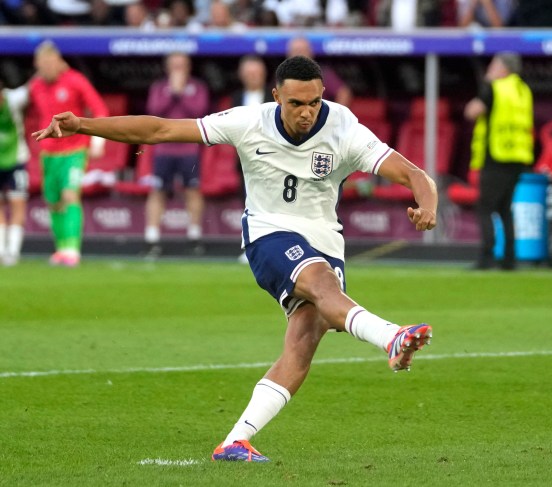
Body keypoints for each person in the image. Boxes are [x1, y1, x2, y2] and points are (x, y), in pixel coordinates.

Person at [34, 56, 437, 462]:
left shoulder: (343, 127)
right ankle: (391, 336)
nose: (306, 112)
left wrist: (428, 205)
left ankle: (234, 441)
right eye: (296, 103)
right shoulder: (249, 121)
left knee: (302, 344)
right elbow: (159, 129)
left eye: (314, 102)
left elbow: (413, 173)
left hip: (325, 239)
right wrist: (82, 124)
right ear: (276, 95)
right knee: (321, 285)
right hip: (268, 232)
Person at [28, 40, 108, 267]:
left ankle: (73, 250)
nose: (44, 69)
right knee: (52, 201)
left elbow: (99, 108)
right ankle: (61, 248)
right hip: (48, 154)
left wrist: (98, 140)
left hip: (74, 150)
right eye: (40, 65)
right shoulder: (35, 86)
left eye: (48, 63)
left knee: (70, 196)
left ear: (58, 61)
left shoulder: (75, 81)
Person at [464, 53, 534, 271]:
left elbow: (471, 112)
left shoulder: (495, 88)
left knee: (485, 208)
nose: (490, 70)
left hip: (496, 156)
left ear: (503, 69)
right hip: (518, 158)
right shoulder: (523, 90)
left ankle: (486, 257)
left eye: (493, 66)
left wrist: (486, 82)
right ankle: (509, 259)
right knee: (505, 209)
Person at [143, 52, 210, 257]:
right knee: (158, 191)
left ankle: (194, 236)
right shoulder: (159, 87)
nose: (178, 70)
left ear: (189, 67)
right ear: (168, 68)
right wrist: (173, 92)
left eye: (182, 66)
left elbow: (200, 110)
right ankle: (152, 238)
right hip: (164, 149)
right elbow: (154, 111)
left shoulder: (198, 87)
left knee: (192, 190)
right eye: (174, 66)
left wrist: (180, 93)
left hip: (189, 149)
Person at [231, 55, 271, 264]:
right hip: (245, 161)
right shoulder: (237, 98)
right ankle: (250, 248)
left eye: (256, 73)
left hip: (273, 161)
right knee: (249, 206)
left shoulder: (275, 96)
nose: (252, 77)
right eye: (248, 73)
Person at [0, 81, 29, 266]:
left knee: (17, 203)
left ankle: (13, 252)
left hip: (16, 160)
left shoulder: (13, 99)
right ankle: (1, 250)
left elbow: (32, 87)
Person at [286, 36, 353, 107]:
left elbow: (343, 93)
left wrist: (335, 115)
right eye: (296, 51)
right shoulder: (282, 76)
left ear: (310, 53)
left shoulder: (322, 73)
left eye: (303, 51)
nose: (300, 55)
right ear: (289, 55)